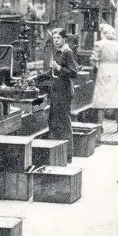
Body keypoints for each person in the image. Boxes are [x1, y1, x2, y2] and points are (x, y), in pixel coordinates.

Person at [46, 28, 79, 161]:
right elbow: (54, 72)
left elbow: (73, 72)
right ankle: (58, 155)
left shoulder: (67, 52)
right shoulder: (57, 51)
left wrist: (58, 68)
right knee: (54, 122)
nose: (56, 41)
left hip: (64, 91)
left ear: (64, 39)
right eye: (54, 39)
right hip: (56, 90)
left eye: (58, 38)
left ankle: (68, 156)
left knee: (64, 123)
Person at [90, 24, 118, 133]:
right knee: (117, 98)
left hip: (103, 70)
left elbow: (93, 59)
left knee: (101, 98)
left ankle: (100, 125)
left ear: (103, 34)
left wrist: (96, 67)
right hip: (115, 70)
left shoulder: (98, 44)